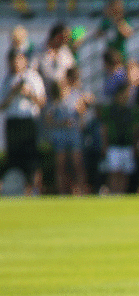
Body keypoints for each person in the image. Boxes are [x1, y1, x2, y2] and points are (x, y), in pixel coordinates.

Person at [1, 49, 47, 196]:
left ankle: (34, 190)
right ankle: (17, 190)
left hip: (28, 121)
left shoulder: (32, 77)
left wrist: (28, 94)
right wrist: (13, 93)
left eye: (18, 60)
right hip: (13, 122)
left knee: (31, 158)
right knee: (14, 158)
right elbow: (2, 105)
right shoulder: (8, 79)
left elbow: (41, 102)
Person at [45, 65, 93, 195]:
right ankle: (62, 192)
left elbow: (83, 113)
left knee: (77, 163)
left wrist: (82, 113)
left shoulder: (77, 95)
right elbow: (48, 119)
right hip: (60, 133)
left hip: (74, 133)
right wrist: (61, 123)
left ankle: (81, 190)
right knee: (60, 165)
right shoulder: (57, 97)